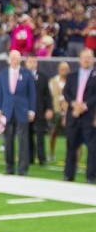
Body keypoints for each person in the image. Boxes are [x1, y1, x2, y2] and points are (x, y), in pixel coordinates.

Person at [0, 50, 36, 176]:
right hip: (7, 111)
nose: (14, 60)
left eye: (16, 58)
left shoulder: (27, 74)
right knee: (8, 140)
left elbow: (32, 93)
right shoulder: (2, 74)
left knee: (23, 141)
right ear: (8, 59)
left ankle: (23, 169)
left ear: (20, 59)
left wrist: (32, 110)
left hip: (22, 110)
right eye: (12, 58)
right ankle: (9, 167)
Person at [61, 47, 96, 183]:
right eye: (84, 57)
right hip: (73, 115)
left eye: (89, 57)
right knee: (71, 146)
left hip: (89, 116)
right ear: (80, 59)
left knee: (92, 147)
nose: (86, 60)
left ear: (92, 59)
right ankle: (68, 175)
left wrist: (84, 106)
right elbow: (66, 93)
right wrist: (74, 104)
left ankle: (90, 176)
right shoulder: (72, 76)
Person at [24, 53, 54, 166]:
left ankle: (42, 159)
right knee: (27, 135)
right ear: (26, 63)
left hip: (40, 110)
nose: (32, 64)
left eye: (34, 61)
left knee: (40, 135)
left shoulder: (43, 76)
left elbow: (48, 95)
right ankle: (30, 157)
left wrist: (49, 108)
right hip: (26, 111)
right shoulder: (21, 76)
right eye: (30, 61)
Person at [48, 61, 71, 162]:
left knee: (71, 135)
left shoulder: (72, 81)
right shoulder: (52, 81)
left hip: (69, 111)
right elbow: (49, 96)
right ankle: (51, 153)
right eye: (62, 69)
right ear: (58, 70)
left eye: (66, 69)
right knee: (53, 132)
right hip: (56, 110)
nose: (64, 71)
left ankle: (70, 157)